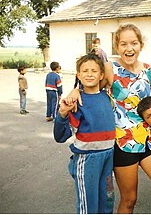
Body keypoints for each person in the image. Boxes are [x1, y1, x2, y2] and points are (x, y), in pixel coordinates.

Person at [66, 23, 151, 213]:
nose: (129, 48)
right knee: (129, 199)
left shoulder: (150, 71)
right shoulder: (109, 68)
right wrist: (75, 90)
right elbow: (90, 85)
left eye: (134, 43)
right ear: (117, 46)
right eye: (123, 44)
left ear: (140, 45)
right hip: (122, 143)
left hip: (150, 140)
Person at [53, 53, 115, 214]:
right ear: (78, 75)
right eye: (85, 71)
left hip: (108, 156)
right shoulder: (77, 101)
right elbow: (60, 136)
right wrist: (62, 113)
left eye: (94, 71)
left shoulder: (107, 96)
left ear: (101, 75)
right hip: (88, 159)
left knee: (107, 202)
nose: (89, 74)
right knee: (88, 205)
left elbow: (109, 66)